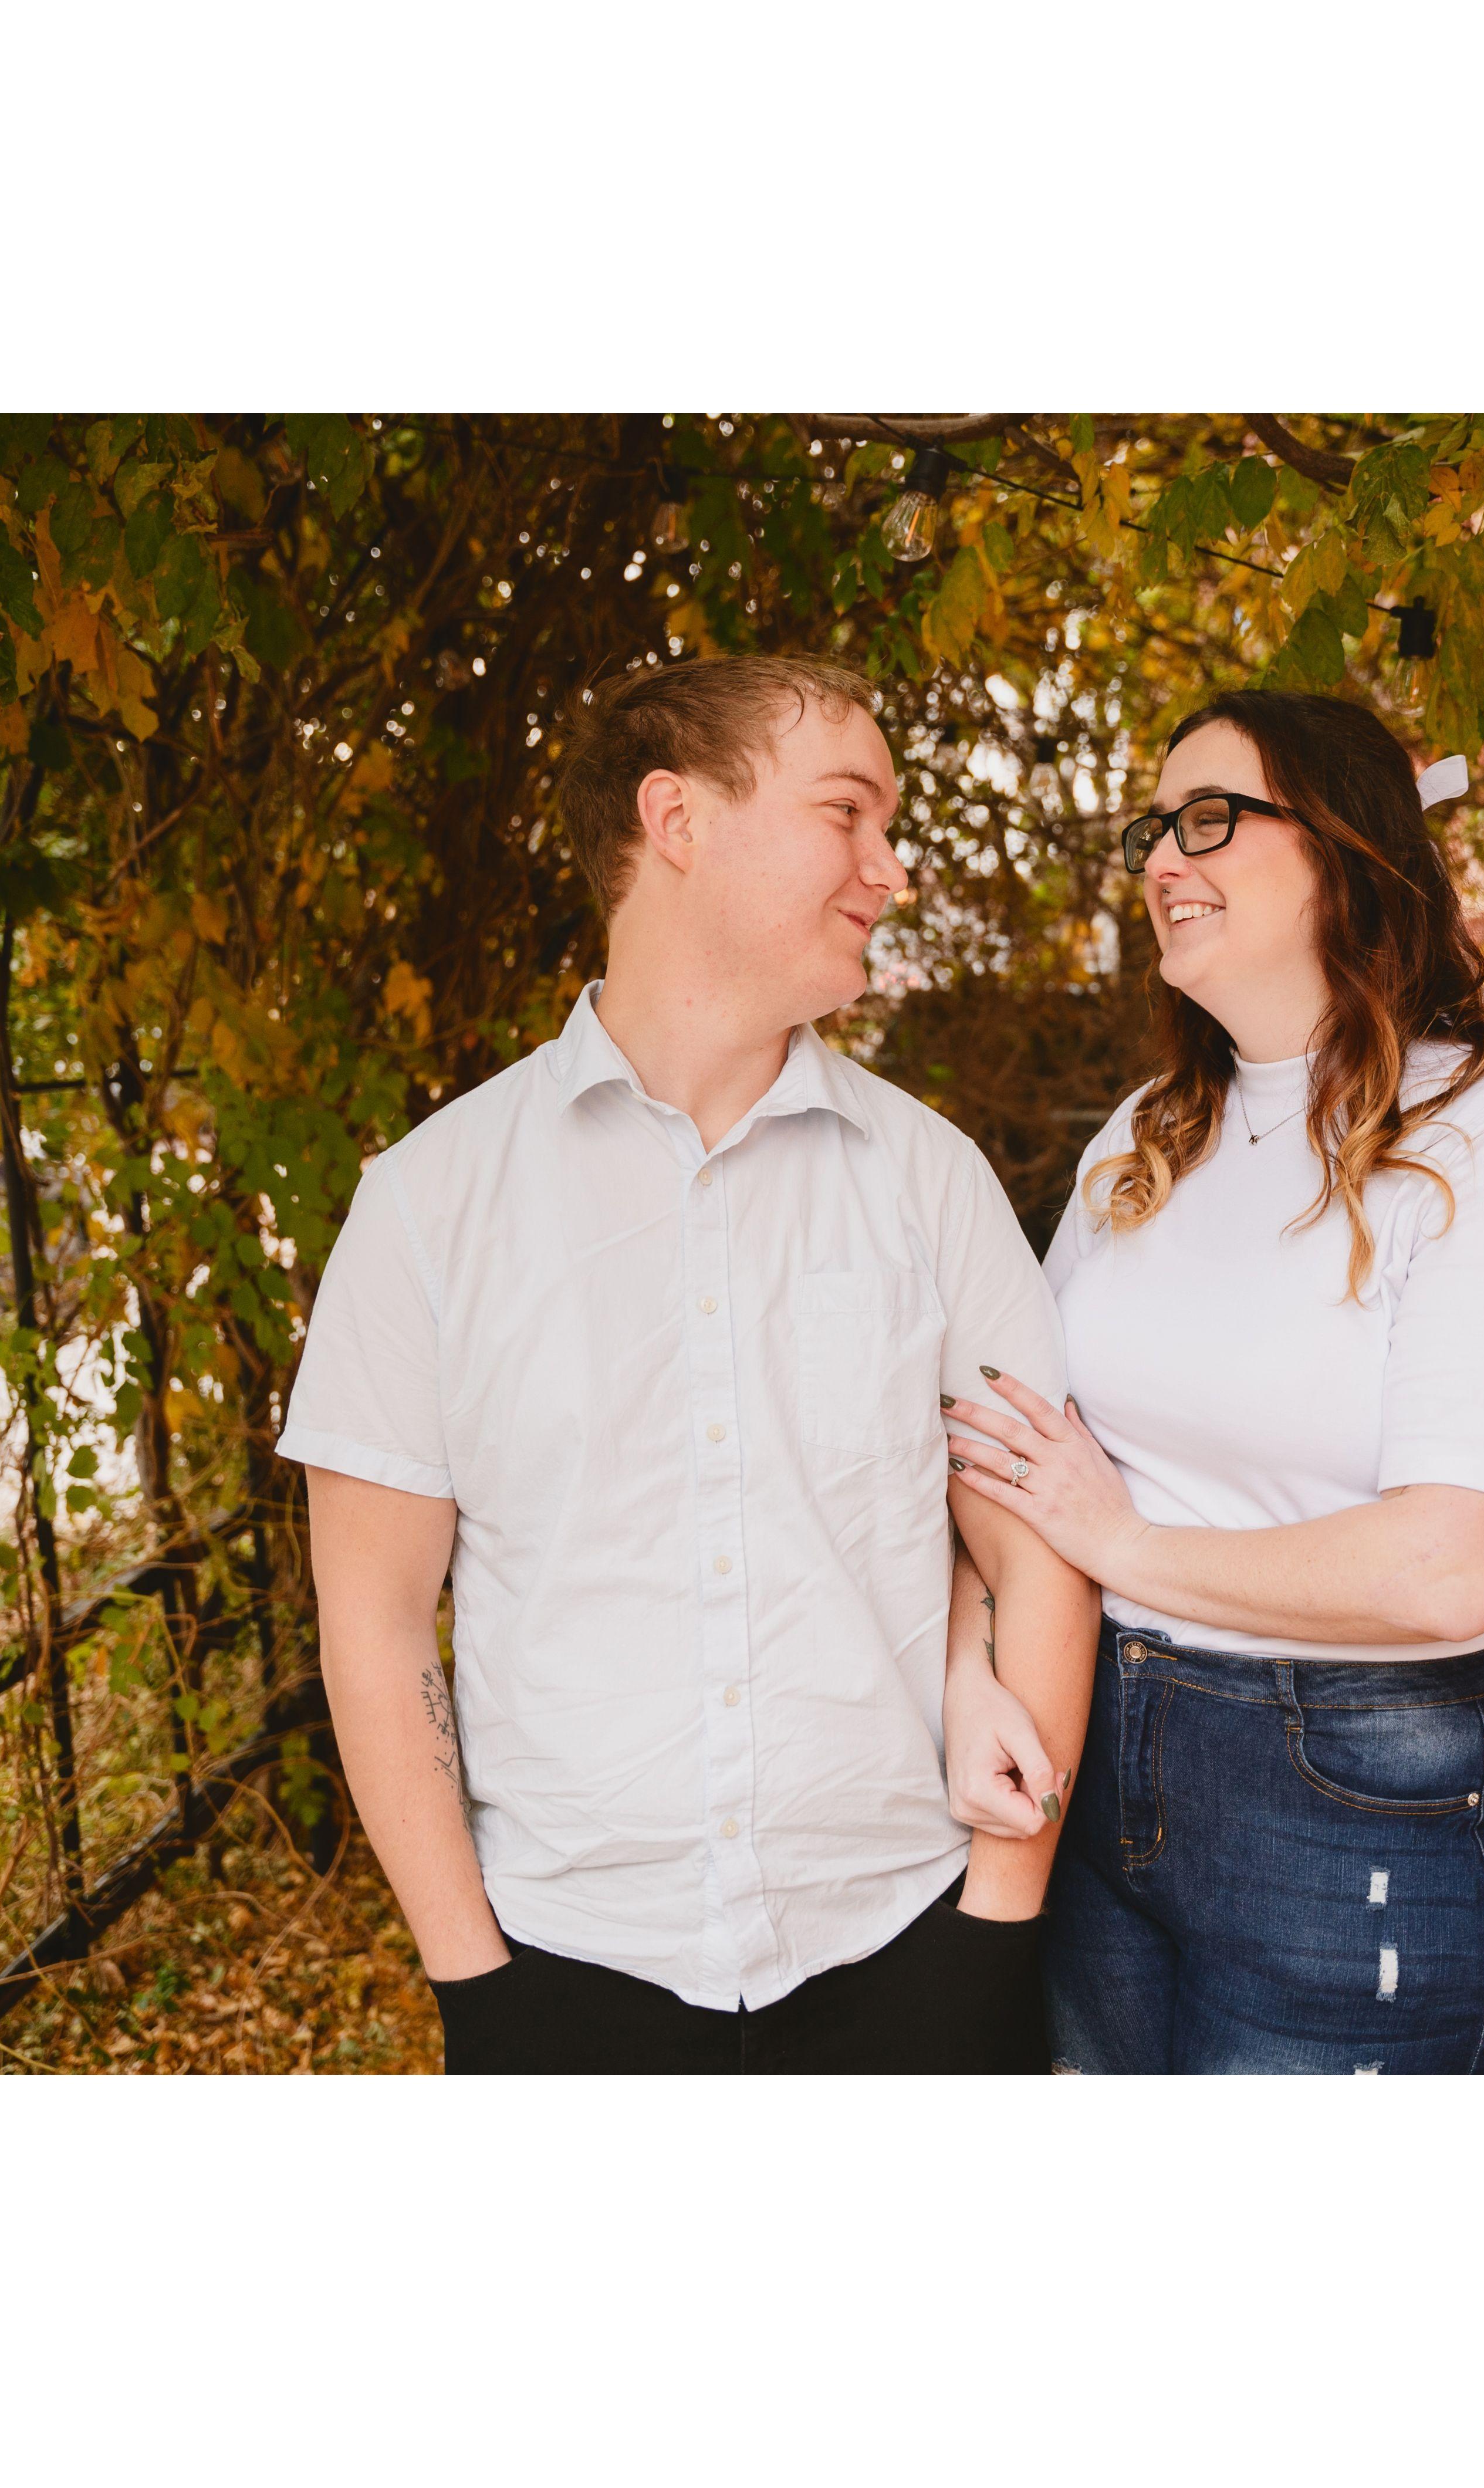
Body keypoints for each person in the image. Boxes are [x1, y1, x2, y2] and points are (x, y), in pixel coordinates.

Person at [280, 653, 1096, 2074]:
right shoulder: (427, 1202)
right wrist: (473, 1981)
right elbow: (375, 1618)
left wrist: (995, 1928)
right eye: (846, 811)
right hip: (562, 1972)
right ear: (677, 819)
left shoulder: (929, 1180)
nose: (890, 866)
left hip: (913, 1945)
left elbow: (1035, 1554)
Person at [942, 688, 1484, 2074]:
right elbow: (1002, 1445)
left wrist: (1123, 1545)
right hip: (1092, 1756)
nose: (1159, 860)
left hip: (1354, 1793)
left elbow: (1454, 1564)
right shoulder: (1145, 1134)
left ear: (1345, 847)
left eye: (1207, 818)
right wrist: (967, 1668)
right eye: (1150, 829)